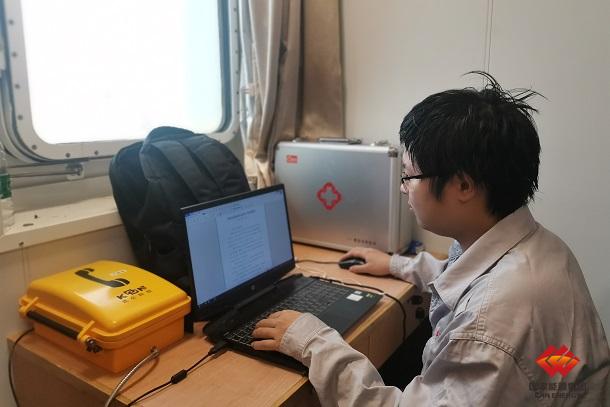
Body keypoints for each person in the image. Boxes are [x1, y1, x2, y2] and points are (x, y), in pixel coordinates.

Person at [251, 72, 610, 405]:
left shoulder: (490, 324)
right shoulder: (534, 245)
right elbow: (464, 276)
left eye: (409, 176)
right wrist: (396, 265)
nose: (403, 188)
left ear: (464, 186)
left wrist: (315, 343)